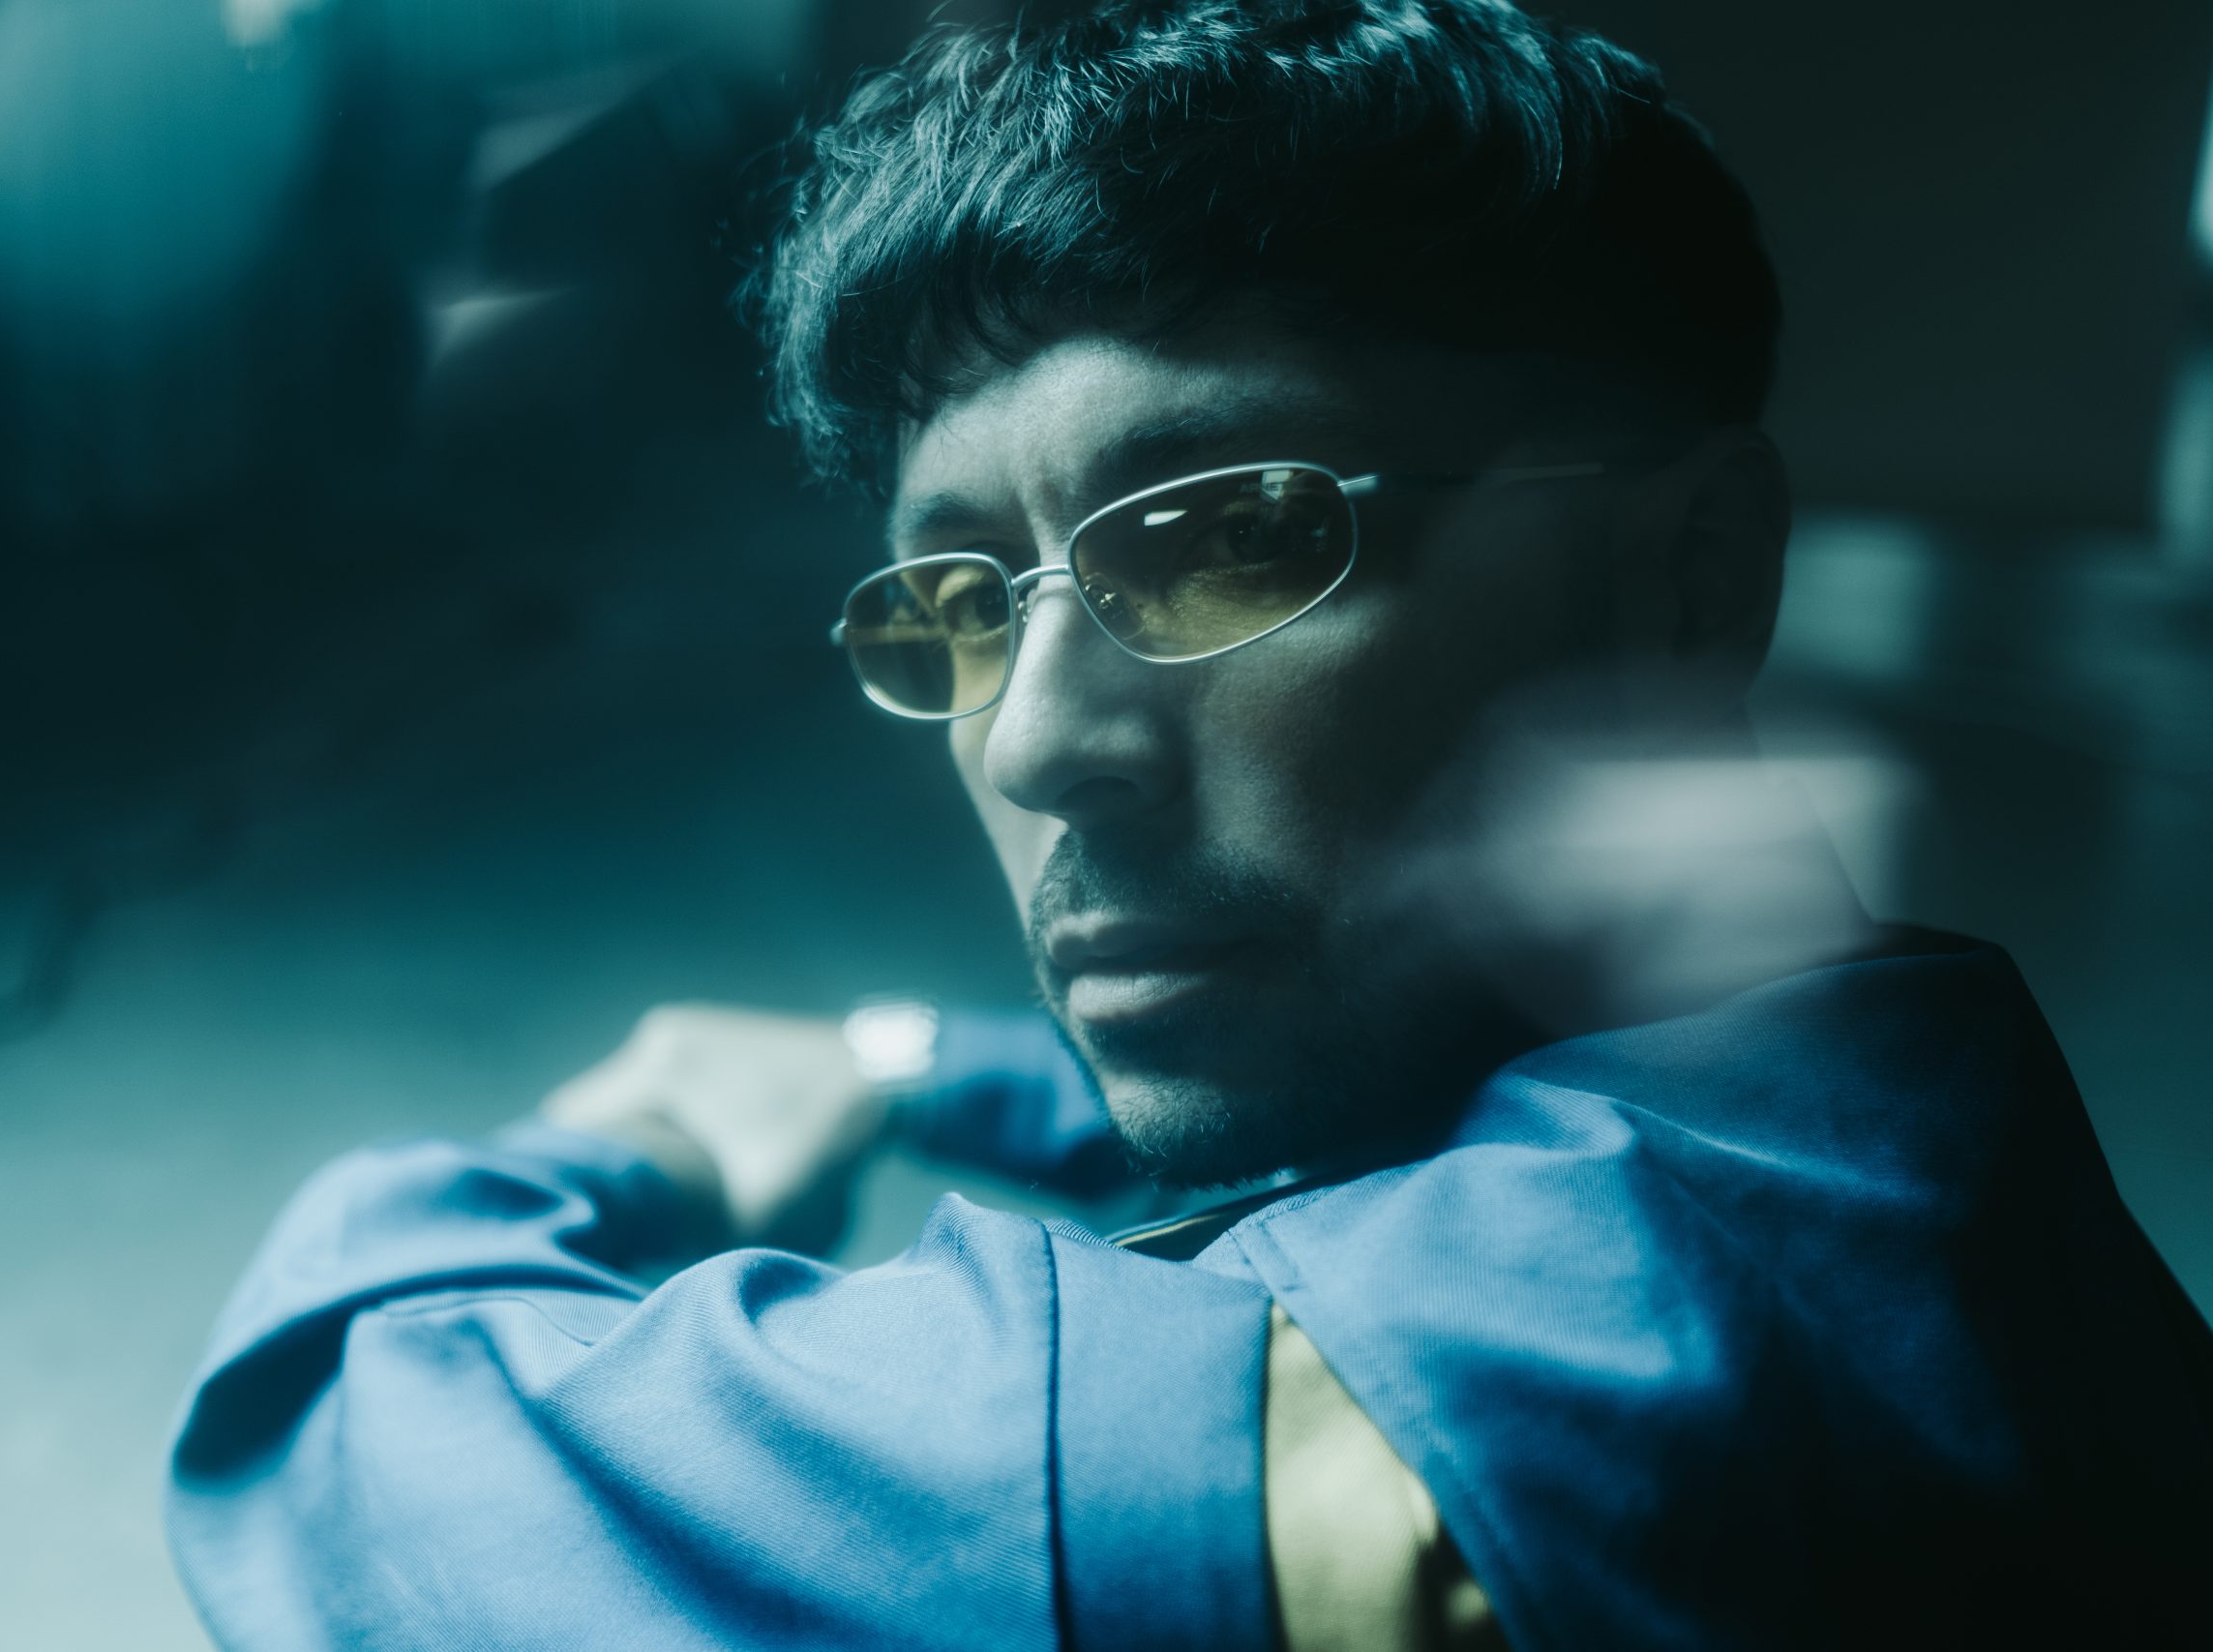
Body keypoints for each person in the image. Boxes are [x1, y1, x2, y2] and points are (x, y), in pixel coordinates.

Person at [164, 3, 2213, 1646]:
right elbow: (1377, 1093)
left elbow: (328, 1419)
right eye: (958, 599)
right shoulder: (1883, 1101)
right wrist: (907, 1064)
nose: (1037, 741)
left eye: (1231, 535)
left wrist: (651, 1148)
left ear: (1684, 576)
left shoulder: (1383, 1429)